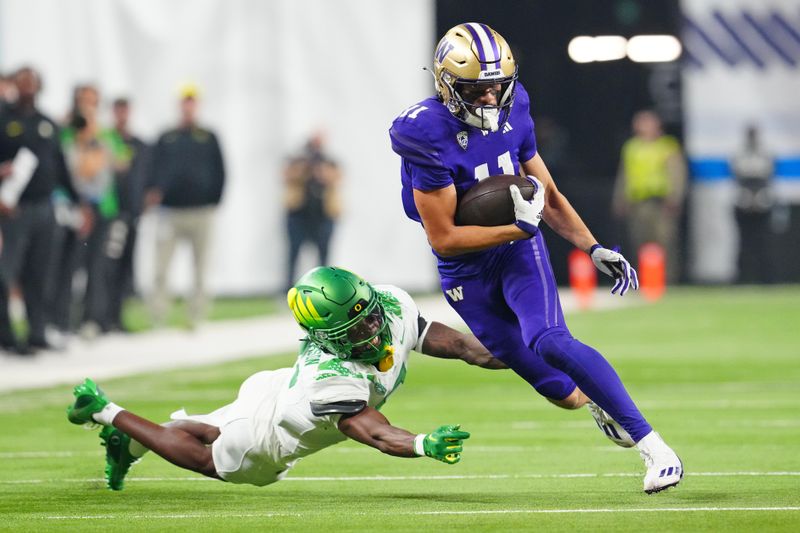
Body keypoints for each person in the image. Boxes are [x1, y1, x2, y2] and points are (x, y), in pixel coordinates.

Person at [389, 23, 682, 493]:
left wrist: (592, 245)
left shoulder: (516, 106)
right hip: (465, 268)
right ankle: (598, 400)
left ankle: (656, 448)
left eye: (496, 87)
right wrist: (518, 225)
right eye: (476, 89)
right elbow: (443, 238)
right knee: (563, 394)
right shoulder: (422, 133)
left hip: (516, 251)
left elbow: (548, 193)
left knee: (549, 338)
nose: (489, 99)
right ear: (446, 85)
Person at [67, 266, 500, 490]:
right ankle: (106, 411)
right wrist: (423, 444)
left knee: (215, 429)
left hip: (277, 388)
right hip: (273, 433)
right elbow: (376, 433)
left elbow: (464, 347)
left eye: (368, 318)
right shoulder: (331, 376)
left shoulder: (389, 306)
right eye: (353, 331)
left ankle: (128, 440)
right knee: (212, 457)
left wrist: (535, 354)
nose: (371, 331)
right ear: (324, 336)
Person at [0, 67, 89, 354]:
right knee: (6, 273)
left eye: (32, 83)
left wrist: (79, 202)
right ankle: (8, 335)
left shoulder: (47, 124)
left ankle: (37, 331)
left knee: (39, 274)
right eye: (22, 83)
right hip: (12, 210)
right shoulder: (4, 119)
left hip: (44, 208)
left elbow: (60, 167)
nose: (27, 88)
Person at [145, 85, 225, 328]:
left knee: (201, 267)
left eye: (192, 102)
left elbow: (221, 171)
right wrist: (155, 191)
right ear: (180, 105)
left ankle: (197, 316)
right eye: (185, 102)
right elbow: (153, 168)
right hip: (171, 212)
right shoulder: (167, 136)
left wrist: (214, 200)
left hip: (201, 211)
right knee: (161, 267)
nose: (188, 107)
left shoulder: (208, 136)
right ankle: (158, 316)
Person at [613, 110, 687, 283]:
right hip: (638, 203)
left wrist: (675, 197)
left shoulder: (667, 146)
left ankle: (668, 280)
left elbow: (677, 173)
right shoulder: (631, 147)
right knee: (639, 241)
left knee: (664, 242)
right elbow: (624, 175)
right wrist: (620, 199)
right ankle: (642, 280)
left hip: (660, 203)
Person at [103, 97, 150, 331]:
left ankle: (117, 316)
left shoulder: (140, 144)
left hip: (132, 214)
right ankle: (104, 316)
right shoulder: (107, 141)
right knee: (109, 265)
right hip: (113, 214)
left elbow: (147, 178)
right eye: (118, 110)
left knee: (126, 267)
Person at [283, 131, 342, 291]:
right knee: (293, 254)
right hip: (299, 214)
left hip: (324, 215)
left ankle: (324, 289)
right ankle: (288, 288)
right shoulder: (298, 160)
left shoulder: (329, 162)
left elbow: (337, 178)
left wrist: (321, 172)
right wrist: (305, 169)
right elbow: (287, 175)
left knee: (324, 257)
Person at [731, 125, 775, 284]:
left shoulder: (764, 153)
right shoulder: (740, 153)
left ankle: (766, 278)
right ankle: (743, 278)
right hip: (743, 200)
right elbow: (738, 176)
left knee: (763, 242)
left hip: (762, 201)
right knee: (743, 243)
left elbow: (767, 177)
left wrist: (759, 198)